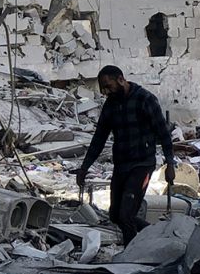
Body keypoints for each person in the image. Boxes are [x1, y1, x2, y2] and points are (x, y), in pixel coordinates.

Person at [75, 65, 176, 245]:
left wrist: (170, 164)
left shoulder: (145, 99)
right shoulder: (110, 105)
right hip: (121, 165)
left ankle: (130, 256)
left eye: (108, 86)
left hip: (142, 165)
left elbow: (163, 134)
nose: (106, 92)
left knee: (126, 214)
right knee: (115, 215)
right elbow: (99, 139)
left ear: (121, 79)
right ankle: (157, 235)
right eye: (103, 88)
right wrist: (84, 168)